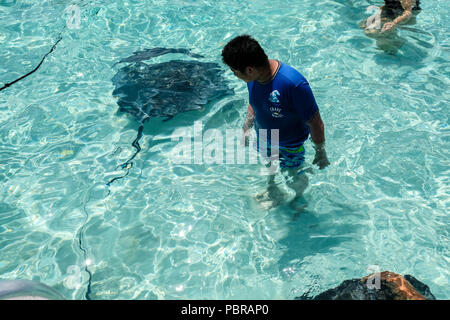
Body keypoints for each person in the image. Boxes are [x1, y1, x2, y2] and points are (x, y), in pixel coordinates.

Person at [221, 35, 330, 210]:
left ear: (249, 69)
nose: (235, 75)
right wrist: (247, 126)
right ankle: (273, 190)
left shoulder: (293, 84)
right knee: (268, 165)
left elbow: (316, 123)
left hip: (290, 143)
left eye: (235, 72)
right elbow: (255, 101)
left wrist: (320, 152)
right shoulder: (254, 78)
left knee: (293, 172)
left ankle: (299, 200)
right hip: (265, 136)